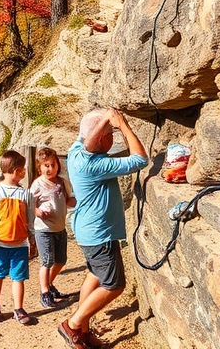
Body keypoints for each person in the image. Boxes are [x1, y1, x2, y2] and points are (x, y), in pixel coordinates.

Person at [59, 108, 148, 349]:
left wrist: (109, 121)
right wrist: (124, 125)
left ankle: (83, 330)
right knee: (114, 285)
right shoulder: (96, 165)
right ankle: (74, 324)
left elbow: (86, 139)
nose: (114, 138)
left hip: (87, 232)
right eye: (111, 134)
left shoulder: (75, 152)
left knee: (96, 275)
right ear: (100, 140)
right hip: (100, 234)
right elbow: (141, 159)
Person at [0, 150, 37, 325]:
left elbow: (30, 219)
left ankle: (18, 309)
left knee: (18, 278)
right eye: (22, 169)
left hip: (20, 244)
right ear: (15, 171)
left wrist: (32, 239)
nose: (24, 172)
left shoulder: (25, 194)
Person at [31, 147, 76, 308]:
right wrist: (38, 212)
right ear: (40, 167)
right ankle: (44, 293)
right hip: (44, 229)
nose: (50, 169)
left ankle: (48, 284)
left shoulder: (63, 183)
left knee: (61, 260)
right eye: (46, 166)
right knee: (47, 261)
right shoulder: (37, 184)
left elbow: (70, 200)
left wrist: (76, 202)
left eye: (53, 165)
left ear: (58, 165)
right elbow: (29, 204)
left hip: (60, 228)